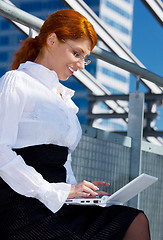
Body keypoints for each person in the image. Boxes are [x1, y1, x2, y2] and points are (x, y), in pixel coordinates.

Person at [0, 9, 151, 240]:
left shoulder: (65, 102)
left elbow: (63, 162)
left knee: (133, 220)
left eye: (85, 57)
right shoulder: (16, 82)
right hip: (22, 202)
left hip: (60, 202)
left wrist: (79, 192)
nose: (81, 65)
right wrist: (58, 191)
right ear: (51, 40)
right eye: (76, 53)